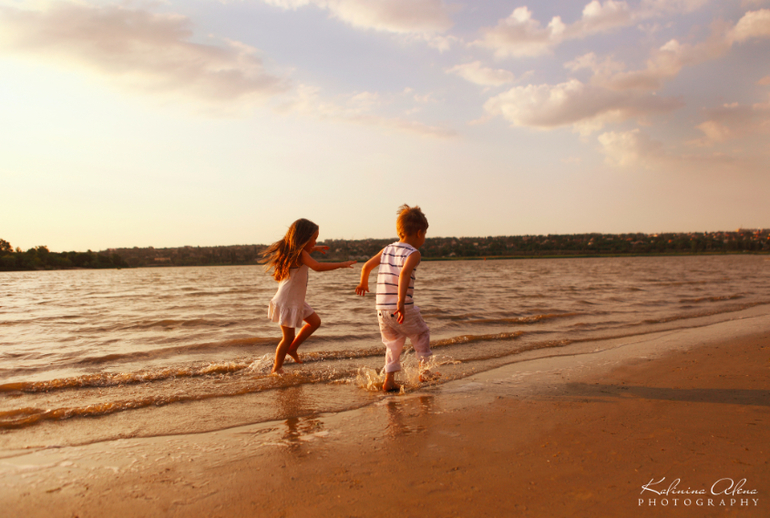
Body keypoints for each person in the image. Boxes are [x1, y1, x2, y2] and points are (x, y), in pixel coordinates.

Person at [355, 205, 433, 392]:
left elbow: (366, 266)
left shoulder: (387, 249)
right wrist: (401, 302)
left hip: (381, 309)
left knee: (393, 344)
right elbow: (404, 273)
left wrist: (363, 283)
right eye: (424, 234)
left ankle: (389, 380)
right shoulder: (413, 253)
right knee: (421, 334)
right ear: (419, 233)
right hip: (401, 307)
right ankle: (424, 372)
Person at [262, 219, 356, 374]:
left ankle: (293, 349)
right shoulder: (300, 254)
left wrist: (314, 248)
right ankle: (276, 369)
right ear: (303, 238)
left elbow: (305, 253)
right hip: (288, 301)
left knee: (315, 322)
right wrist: (341, 264)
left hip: (296, 300)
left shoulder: (294, 251)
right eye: (314, 238)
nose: (315, 241)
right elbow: (317, 266)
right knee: (287, 337)